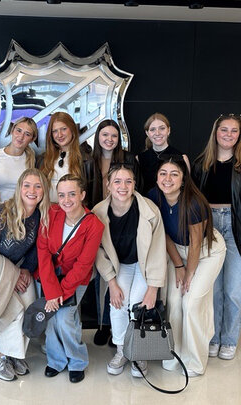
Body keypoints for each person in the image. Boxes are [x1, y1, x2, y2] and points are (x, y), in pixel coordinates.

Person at [192, 115, 241, 361]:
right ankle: (213, 337)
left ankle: (229, 340)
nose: (228, 134)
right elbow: (191, 200)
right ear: (216, 132)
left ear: (239, 134)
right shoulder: (202, 163)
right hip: (209, 227)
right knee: (213, 289)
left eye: (234, 131)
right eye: (224, 129)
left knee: (234, 290)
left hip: (239, 230)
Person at [147, 156, 226, 377]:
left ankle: (195, 360)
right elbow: (163, 235)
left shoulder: (193, 202)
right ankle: (174, 355)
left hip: (207, 252)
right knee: (173, 302)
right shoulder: (154, 197)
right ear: (157, 176)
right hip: (178, 253)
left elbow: (196, 243)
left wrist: (188, 273)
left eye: (174, 174)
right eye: (163, 173)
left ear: (183, 179)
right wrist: (178, 265)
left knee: (190, 303)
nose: (168, 179)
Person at [0, 168, 51, 381]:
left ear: (44, 190)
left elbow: (35, 248)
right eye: (27, 185)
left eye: (37, 186)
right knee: (12, 307)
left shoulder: (40, 216)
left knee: (29, 301)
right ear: (19, 188)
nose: (32, 191)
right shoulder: (2, 214)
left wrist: (25, 271)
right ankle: (2, 357)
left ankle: (15, 354)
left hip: (17, 267)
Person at [92, 164, 166, 377]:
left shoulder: (149, 210)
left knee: (138, 305)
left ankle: (139, 353)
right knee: (118, 303)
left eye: (128, 181)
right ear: (108, 185)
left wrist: (153, 289)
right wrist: (112, 283)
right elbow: (98, 252)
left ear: (134, 185)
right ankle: (123, 350)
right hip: (119, 265)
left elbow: (157, 251)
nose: (122, 186)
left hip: (144, 266)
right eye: (117, 181)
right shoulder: (98, 212)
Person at [37, 174, 104, 383]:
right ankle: (56, 360)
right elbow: (43, 251)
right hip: (49, 276)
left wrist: (60, 294)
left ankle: (77, 361)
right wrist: (51, 292)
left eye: (72, 194)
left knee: (65, 319)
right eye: (62, 195)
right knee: (50, 319)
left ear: (82, 195)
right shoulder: (51, 213)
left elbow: (84, 265)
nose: (66, 200)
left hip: (76, 278)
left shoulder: (94, 225)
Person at [89, 119, 141, 346]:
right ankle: (105, 325)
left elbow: (135, 187)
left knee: (118, 276)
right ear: (98, 137)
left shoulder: (129, 159)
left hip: (123, 219)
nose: (109, 139)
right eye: (105, 135)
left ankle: (118, 330)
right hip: (98, 217)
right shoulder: (90, 161)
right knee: (104, 275)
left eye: (113, 135)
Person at [0, 117, 38, 208]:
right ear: (12, 130)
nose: (21, 137)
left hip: (20, 213)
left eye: (27, 134)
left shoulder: (32, 162)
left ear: (32, 139)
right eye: (19, 130)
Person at [38, 112, 95, 206]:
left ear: (72, 130)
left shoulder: (86, 161)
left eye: (63, 129)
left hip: (73, 216)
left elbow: (92, 198)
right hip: (47, 214)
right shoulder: (42, 159)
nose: (59, 135)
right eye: (55, 131)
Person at [137, 113, 190, 194]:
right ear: (147, 133)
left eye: (162, 128)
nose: (157, 133)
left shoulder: (182, 157)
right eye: (152, 129)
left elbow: (187, 188)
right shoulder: (139, 159)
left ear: (168, 131)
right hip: (147, 204)